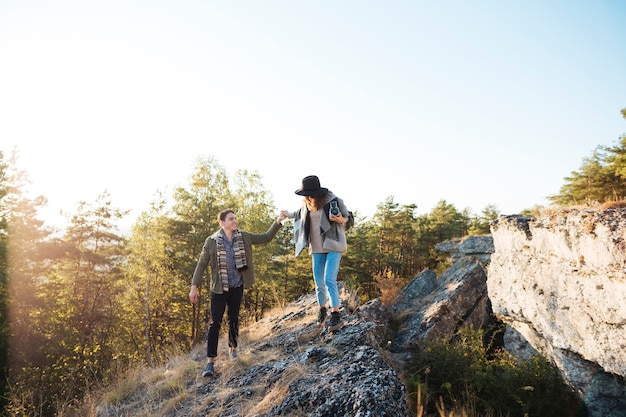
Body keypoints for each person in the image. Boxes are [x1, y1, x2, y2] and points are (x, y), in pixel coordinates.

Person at [190, 208, 286, 377]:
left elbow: (266, 237)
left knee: (233, 319)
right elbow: (201, 264)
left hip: (237, 286)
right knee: (215, 324)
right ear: (222, 223)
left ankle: (233, 350)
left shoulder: (244, 237)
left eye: (235, 218)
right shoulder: (211, 241)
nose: (234, 221)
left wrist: (278, 221)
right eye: (231, 219)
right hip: (219, 289)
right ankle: (210, 363)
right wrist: (194, 286)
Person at [281, 175, 350, 332]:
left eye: (310, 194)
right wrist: (286, 214)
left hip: (333, 245)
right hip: (316, 248)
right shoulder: (307, 204)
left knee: (329, 279)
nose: (308, 197)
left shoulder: (334, 200)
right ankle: (322, 310)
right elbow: (298, 214)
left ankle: (336, 315)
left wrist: (340, 220)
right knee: (318, 282)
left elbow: (348, 217)